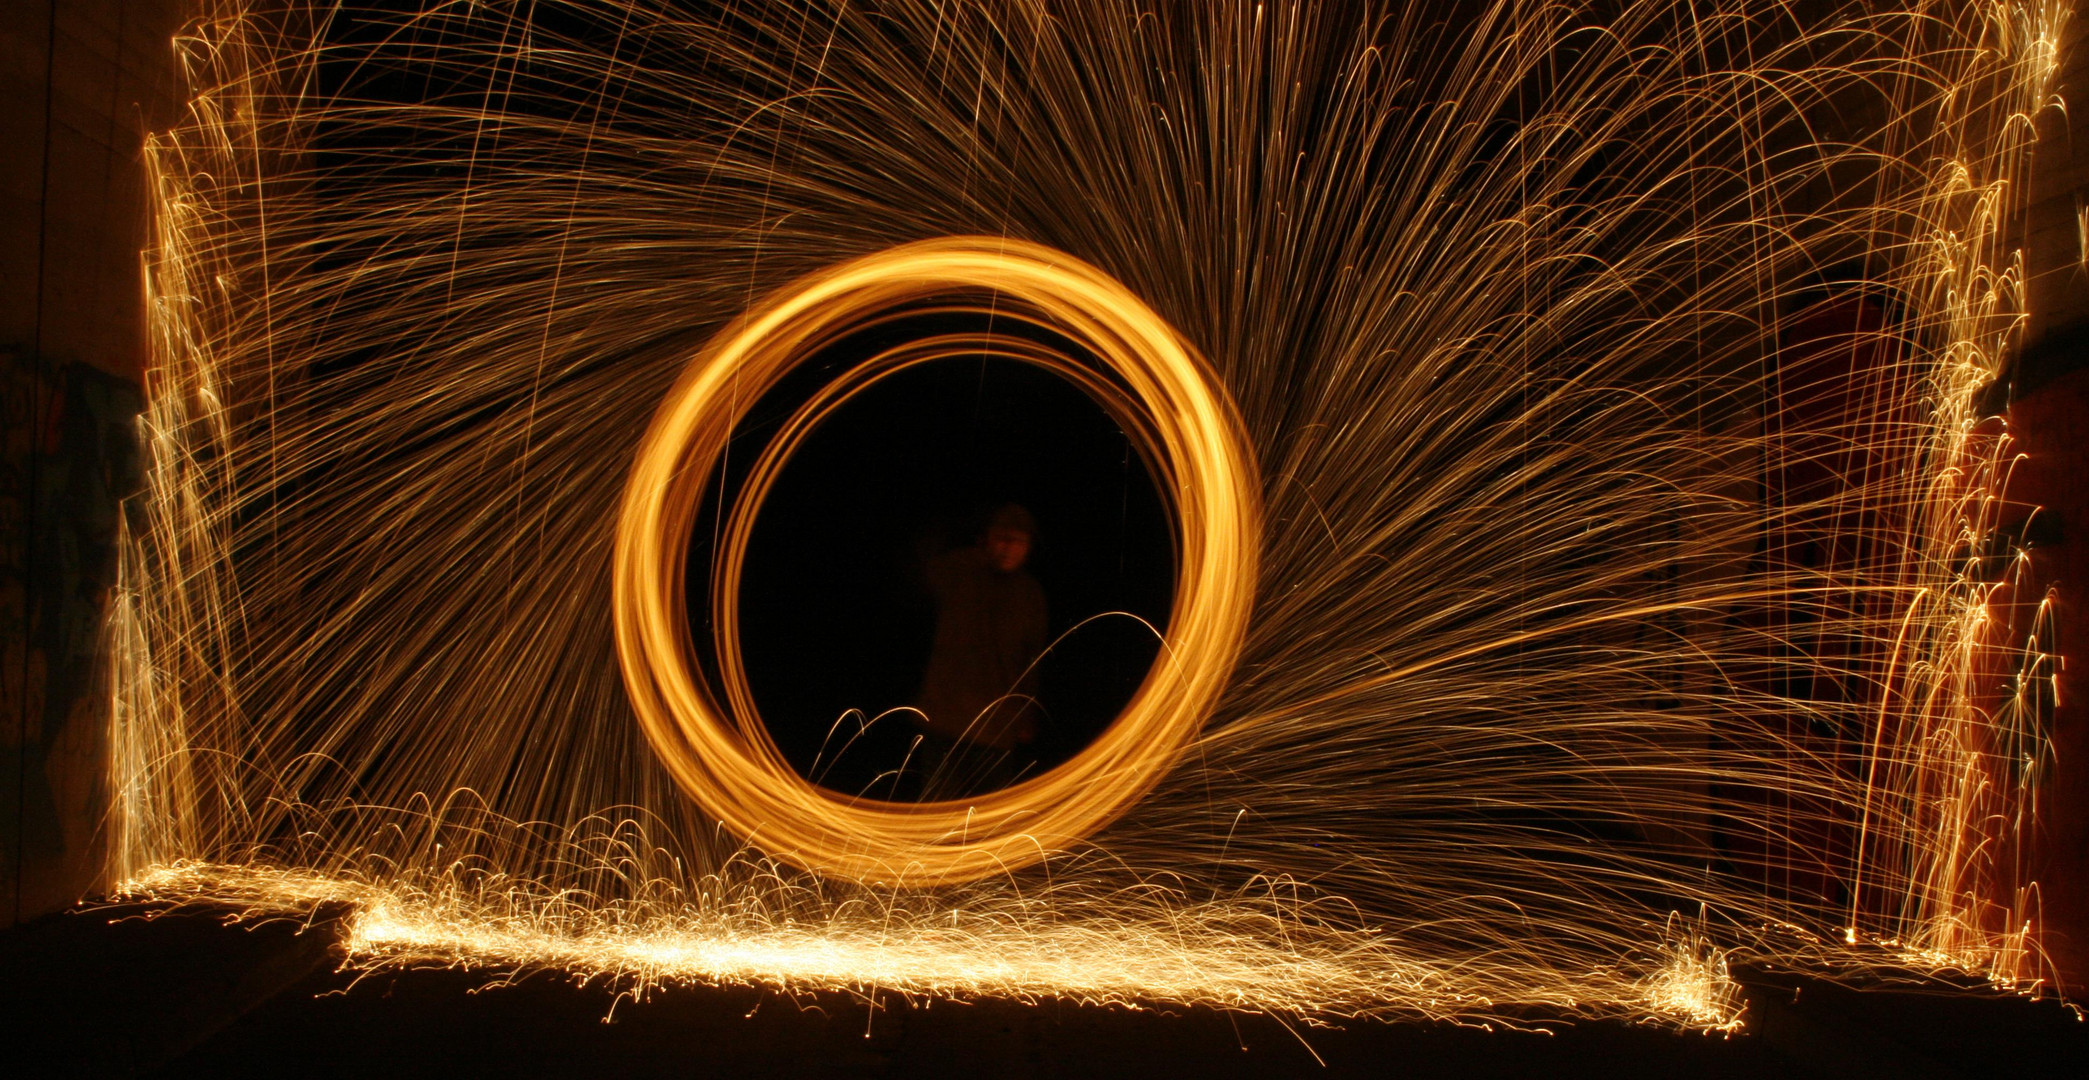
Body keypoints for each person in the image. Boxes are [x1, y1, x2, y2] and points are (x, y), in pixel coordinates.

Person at [909, 503, 1048, 797]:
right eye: (1002, 538)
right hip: (946, 721)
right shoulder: (959, 569)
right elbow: (921, 571)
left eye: (1018, 541)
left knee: (983, 819)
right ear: (986, 539)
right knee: (938, 812)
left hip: (995, 729)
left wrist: (1026, 714)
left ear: (1029, 547)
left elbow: (1032, 660)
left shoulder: (1030, 595)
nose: (1008, 548)